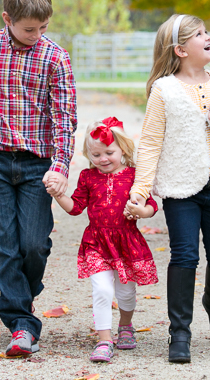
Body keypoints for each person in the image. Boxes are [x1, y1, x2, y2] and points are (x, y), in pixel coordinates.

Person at [126, 14, 210, 363]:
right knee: (185, 256)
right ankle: (179, 333)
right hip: (180, 187)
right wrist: (142, 189)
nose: (208, 37)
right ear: (181, 50)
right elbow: (151, 142)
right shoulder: (164, 89)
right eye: (200, 34)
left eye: (206, 31)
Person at [0, 0, 77, 357]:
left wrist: (61, 165)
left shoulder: (55, 57)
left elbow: (64, 117)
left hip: (38, 166)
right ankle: (22, 323)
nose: (37, 35)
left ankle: (21, 296)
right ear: (7, 19)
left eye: (43, 27)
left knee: (33, 245)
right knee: (2, 247)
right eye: (29, 29)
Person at [50, 117, 158, 363]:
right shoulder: (88, 177)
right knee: (101, 289)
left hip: (126, 241)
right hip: (97, 242)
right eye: (96, 154)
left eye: (109, 152)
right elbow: (76, 208)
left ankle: (126, 326)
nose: (103, 159)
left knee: (126, 292)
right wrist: (59, 195)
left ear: (123, 150)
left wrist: (141, 211)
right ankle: (104, 340)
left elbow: (151, 205)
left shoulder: (134, 176)